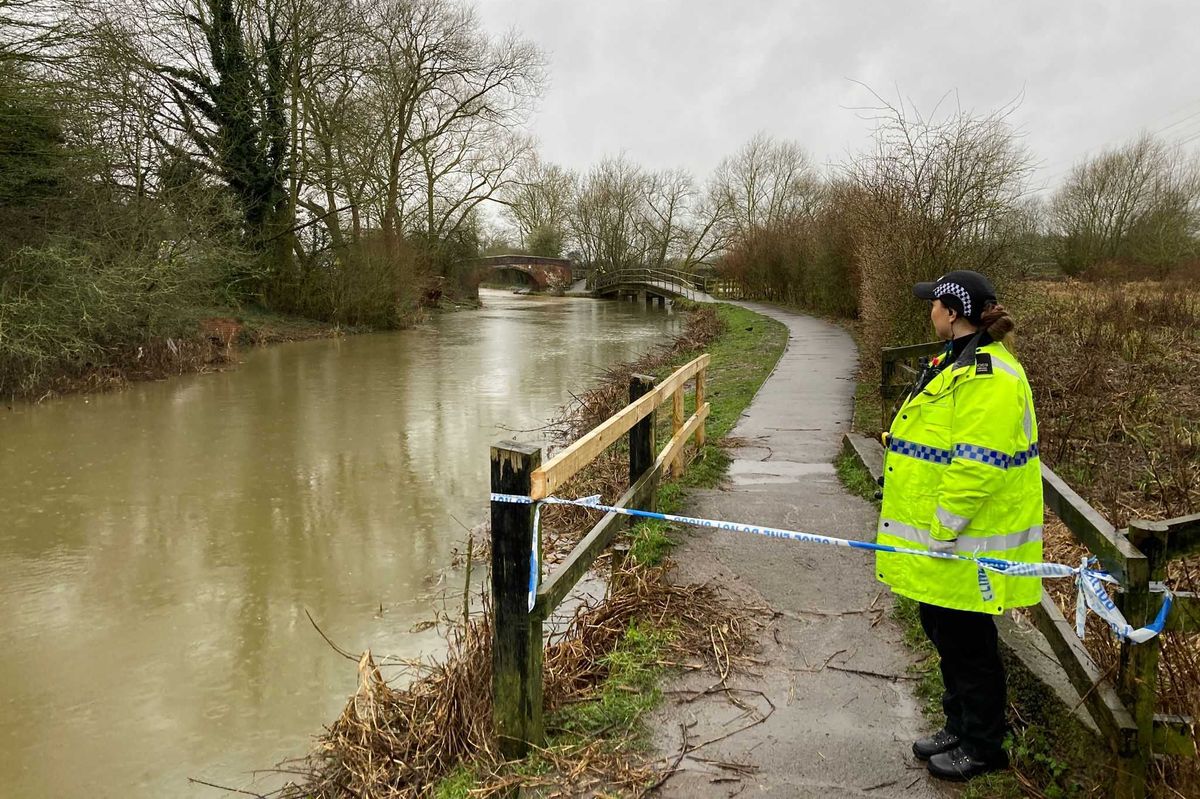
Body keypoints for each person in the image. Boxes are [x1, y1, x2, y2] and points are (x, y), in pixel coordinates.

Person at [875, 270, 1043, 781]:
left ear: (953, 311)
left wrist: (943, 529)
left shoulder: (990, 375)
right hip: (944, 540)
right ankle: (957, 725)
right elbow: (943, 436)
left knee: (970, 644)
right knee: (943, 631)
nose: (929, 311)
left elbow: (978, 464)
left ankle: (983, 744)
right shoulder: (956, 361)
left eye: (934, 304)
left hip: (968, 539)